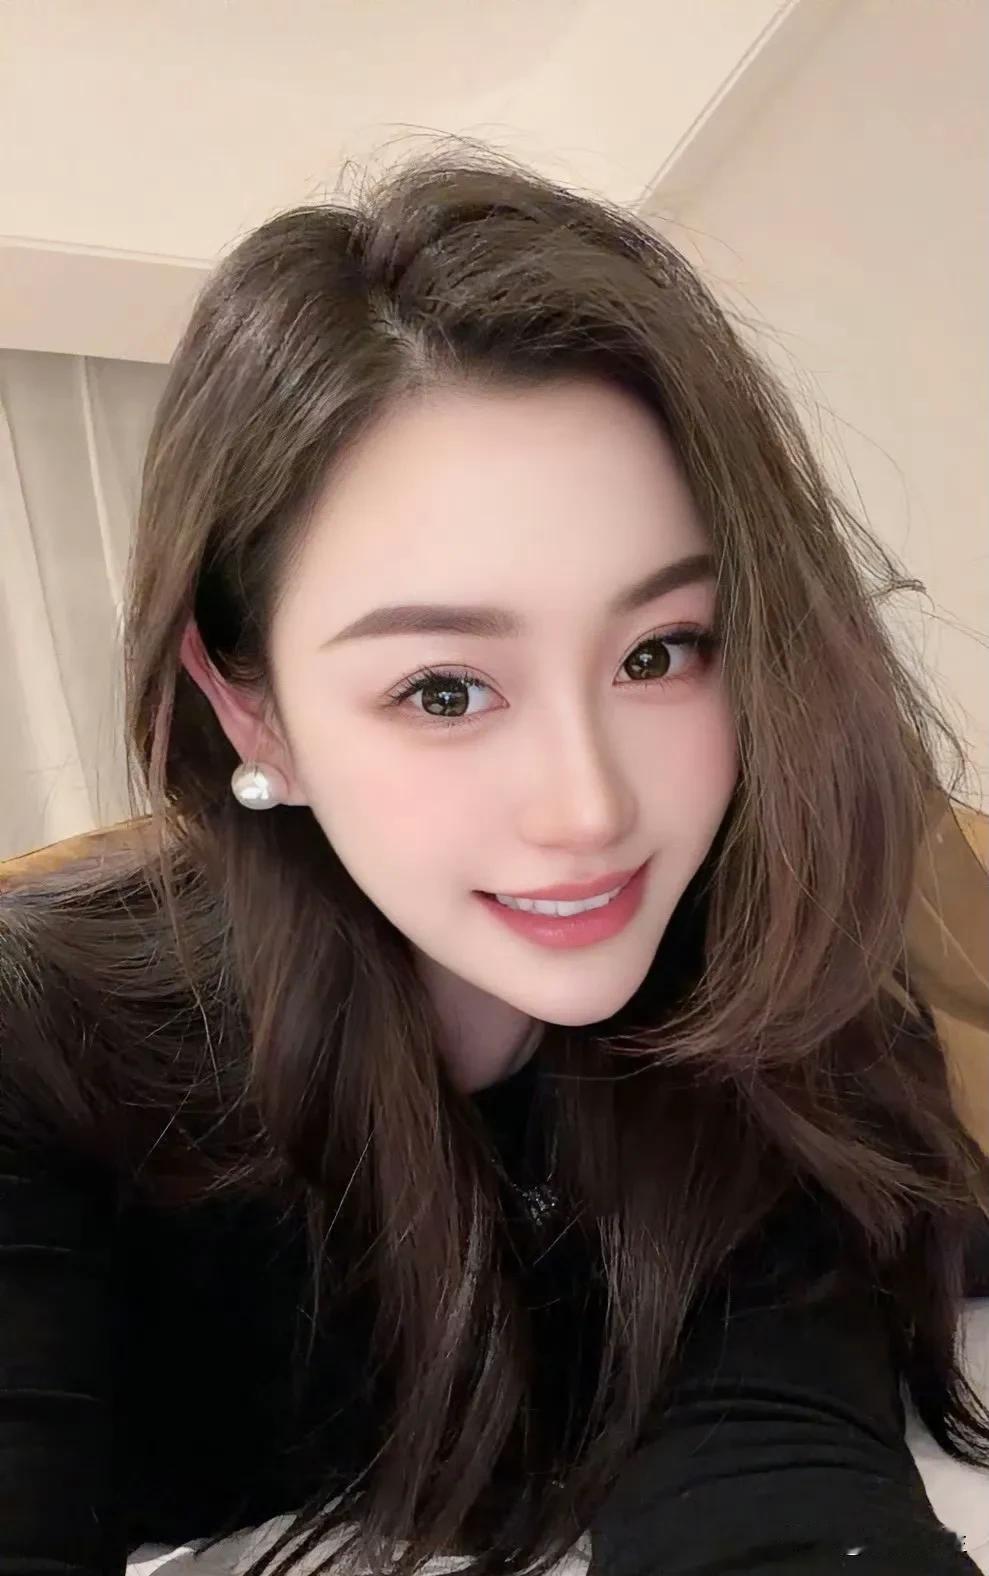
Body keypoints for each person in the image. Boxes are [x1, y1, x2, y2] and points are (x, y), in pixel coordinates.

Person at [0, 146, 987, 1576]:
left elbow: (775, 1486)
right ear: (251, 710)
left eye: (660, 652)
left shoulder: (769, 1023)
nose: (589, 810)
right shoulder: (41, 1059)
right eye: (445, 690)